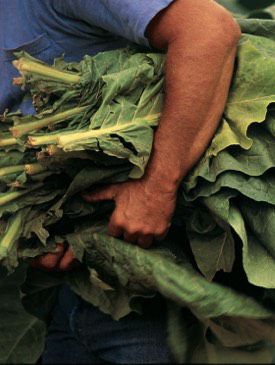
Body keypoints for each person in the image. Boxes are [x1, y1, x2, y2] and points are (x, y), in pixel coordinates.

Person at [0, 0, 241, 363]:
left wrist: (156, 186)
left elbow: (208, 30)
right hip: (73, 290)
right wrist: (38, 229)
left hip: (156, 279)